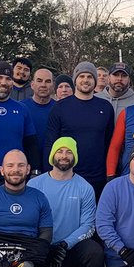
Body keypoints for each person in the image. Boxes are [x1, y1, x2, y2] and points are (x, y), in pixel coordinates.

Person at [28, 138, 105, 267]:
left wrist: (65, 244)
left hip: (72, 247)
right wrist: (46, 246)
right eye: (60, 151)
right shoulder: (35, 185)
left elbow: (88, 225)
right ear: (52, 155)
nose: (64, 156)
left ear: (75, 157)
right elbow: (30, 221)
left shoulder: (84, 187)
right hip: (47, 250)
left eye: (68, 152)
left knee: (94, 252)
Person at [45, 61, 115, 197]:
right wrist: (49, 173)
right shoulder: (60, 108)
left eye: (89, 77)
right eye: (81, 76)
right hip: (66, 175)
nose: (85, 80)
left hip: (97, 177)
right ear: (75, 80)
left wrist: (110, 172)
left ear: (95, 80)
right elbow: (50, 143)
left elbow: (109, 143)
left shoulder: (105, 107)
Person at [21, 67, 56, 139]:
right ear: (32, 85)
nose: (43, 85)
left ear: (53, 86)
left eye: (48, 81)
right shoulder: (21, 108)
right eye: (39, 81)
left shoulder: (59, 108)